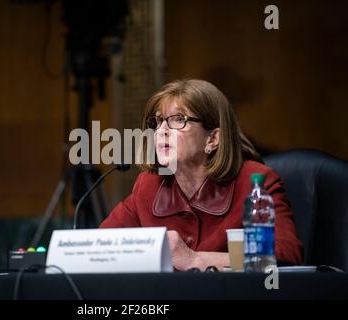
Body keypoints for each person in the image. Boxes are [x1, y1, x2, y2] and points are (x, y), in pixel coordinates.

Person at [100, 79, 303, 271]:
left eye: (178, 120)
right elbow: (102, 244)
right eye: (157, 122)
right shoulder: (149, 184)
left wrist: (194, 259)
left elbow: (285, 256)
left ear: (213, 138)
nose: (161, 131)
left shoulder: (255, 181)